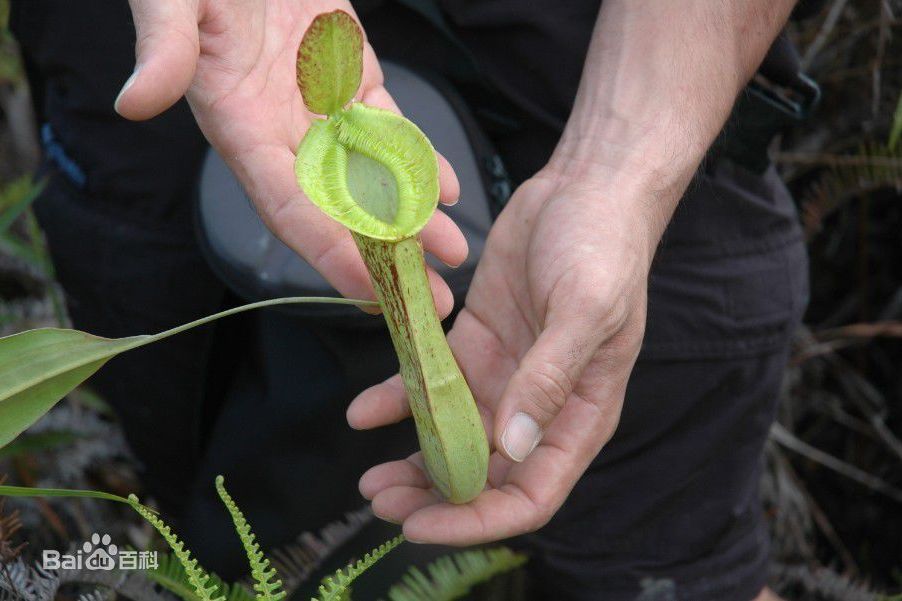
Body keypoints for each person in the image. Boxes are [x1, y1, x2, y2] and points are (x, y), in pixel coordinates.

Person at [11, 1, 810, 599]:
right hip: (181, 70)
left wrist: (619, 167)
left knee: (662, 552)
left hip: (586, 57)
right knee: (215, 482)